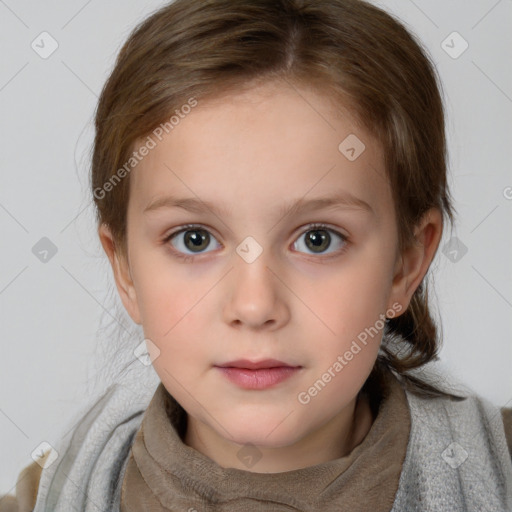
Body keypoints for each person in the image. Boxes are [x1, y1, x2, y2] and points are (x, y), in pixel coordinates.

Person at [2, 0, 511, 510]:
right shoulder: (47, 497)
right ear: (126, 270)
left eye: (318, 239)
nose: (254, 305)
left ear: (405, 265)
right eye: (194, 239)